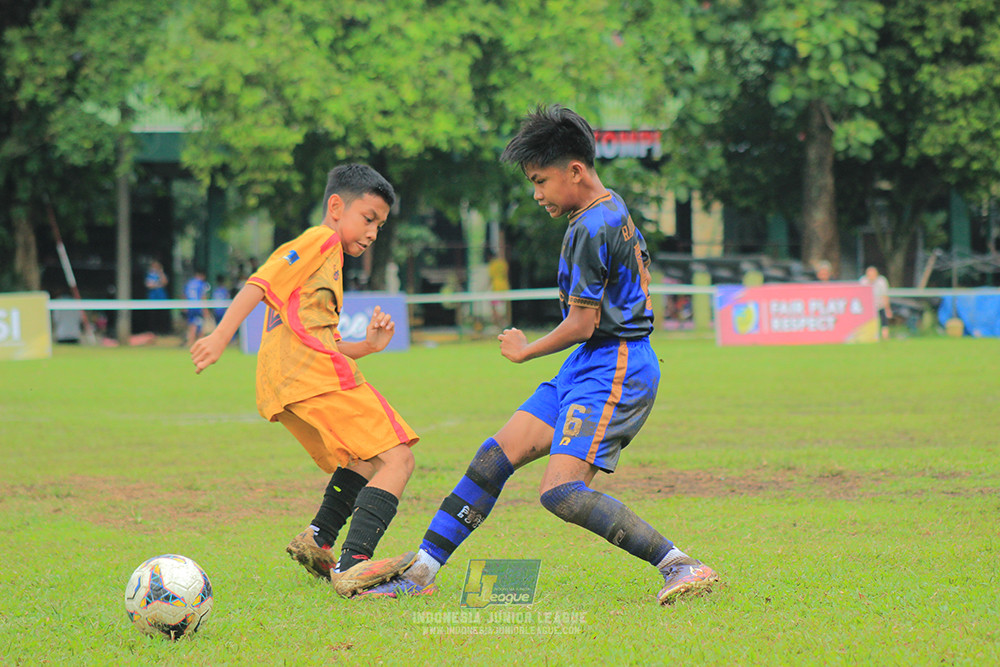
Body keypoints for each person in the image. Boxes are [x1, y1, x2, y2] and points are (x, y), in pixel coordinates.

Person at [357, 105, 718, 605]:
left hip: (615, 366)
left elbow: (582, 323)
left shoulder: (592, 226)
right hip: (591, 362)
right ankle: (421, 571)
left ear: (576, 170)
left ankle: (681, 564)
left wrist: (526, 351)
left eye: (541, 180)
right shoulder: (607, 208)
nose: (537, 194)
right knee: (493, 457)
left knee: (560, 492)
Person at [189, 164, 420, 596]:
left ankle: (319, 538)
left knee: (362, 458)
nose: (373, 232)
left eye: (380, 225)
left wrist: (368, 346)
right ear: (336, 207)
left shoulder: (329, 262)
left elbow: (322, 338)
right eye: (368, 218)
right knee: (398, 459)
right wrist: (220, 336)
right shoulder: (320, 240)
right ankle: (354, 565)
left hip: (289, 381)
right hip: (312, 376)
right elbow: (259, 284)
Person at [860, 265, 892, 339]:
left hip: (880, 305)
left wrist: (887, 308)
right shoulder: (863, 281)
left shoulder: (881, 281)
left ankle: (885, 337)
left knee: (884, 321)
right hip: (867, 307)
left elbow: (885, 295)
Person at [183, 269, 210, 348]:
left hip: (190, 306)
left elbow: (184, 295)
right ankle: (200, 343)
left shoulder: (189, 283)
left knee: (192, 324)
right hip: (198, 306)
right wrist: (205, 309)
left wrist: (184, 306)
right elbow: (203, 296)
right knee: (201, 324)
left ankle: (190, 342)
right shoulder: (201, 284)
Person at [486, 247, 511, 330]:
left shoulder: (492, 265)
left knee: (494, 307)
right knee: (505, 308)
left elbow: (490, 278)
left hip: (496, 288)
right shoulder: (503, 263)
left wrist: (485, 288)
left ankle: (502, 323)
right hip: (505, 286)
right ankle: (506, 323)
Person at [145, 260, 170, 333]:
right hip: (153, 299)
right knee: (153, 316)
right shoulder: (149, 275)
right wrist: (158, 284)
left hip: (162, 299)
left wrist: (161, 272)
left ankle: (163, 331)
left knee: (162, 316)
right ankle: (153, 331)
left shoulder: (161, 274)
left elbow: (165, 282)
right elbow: (149, 285)